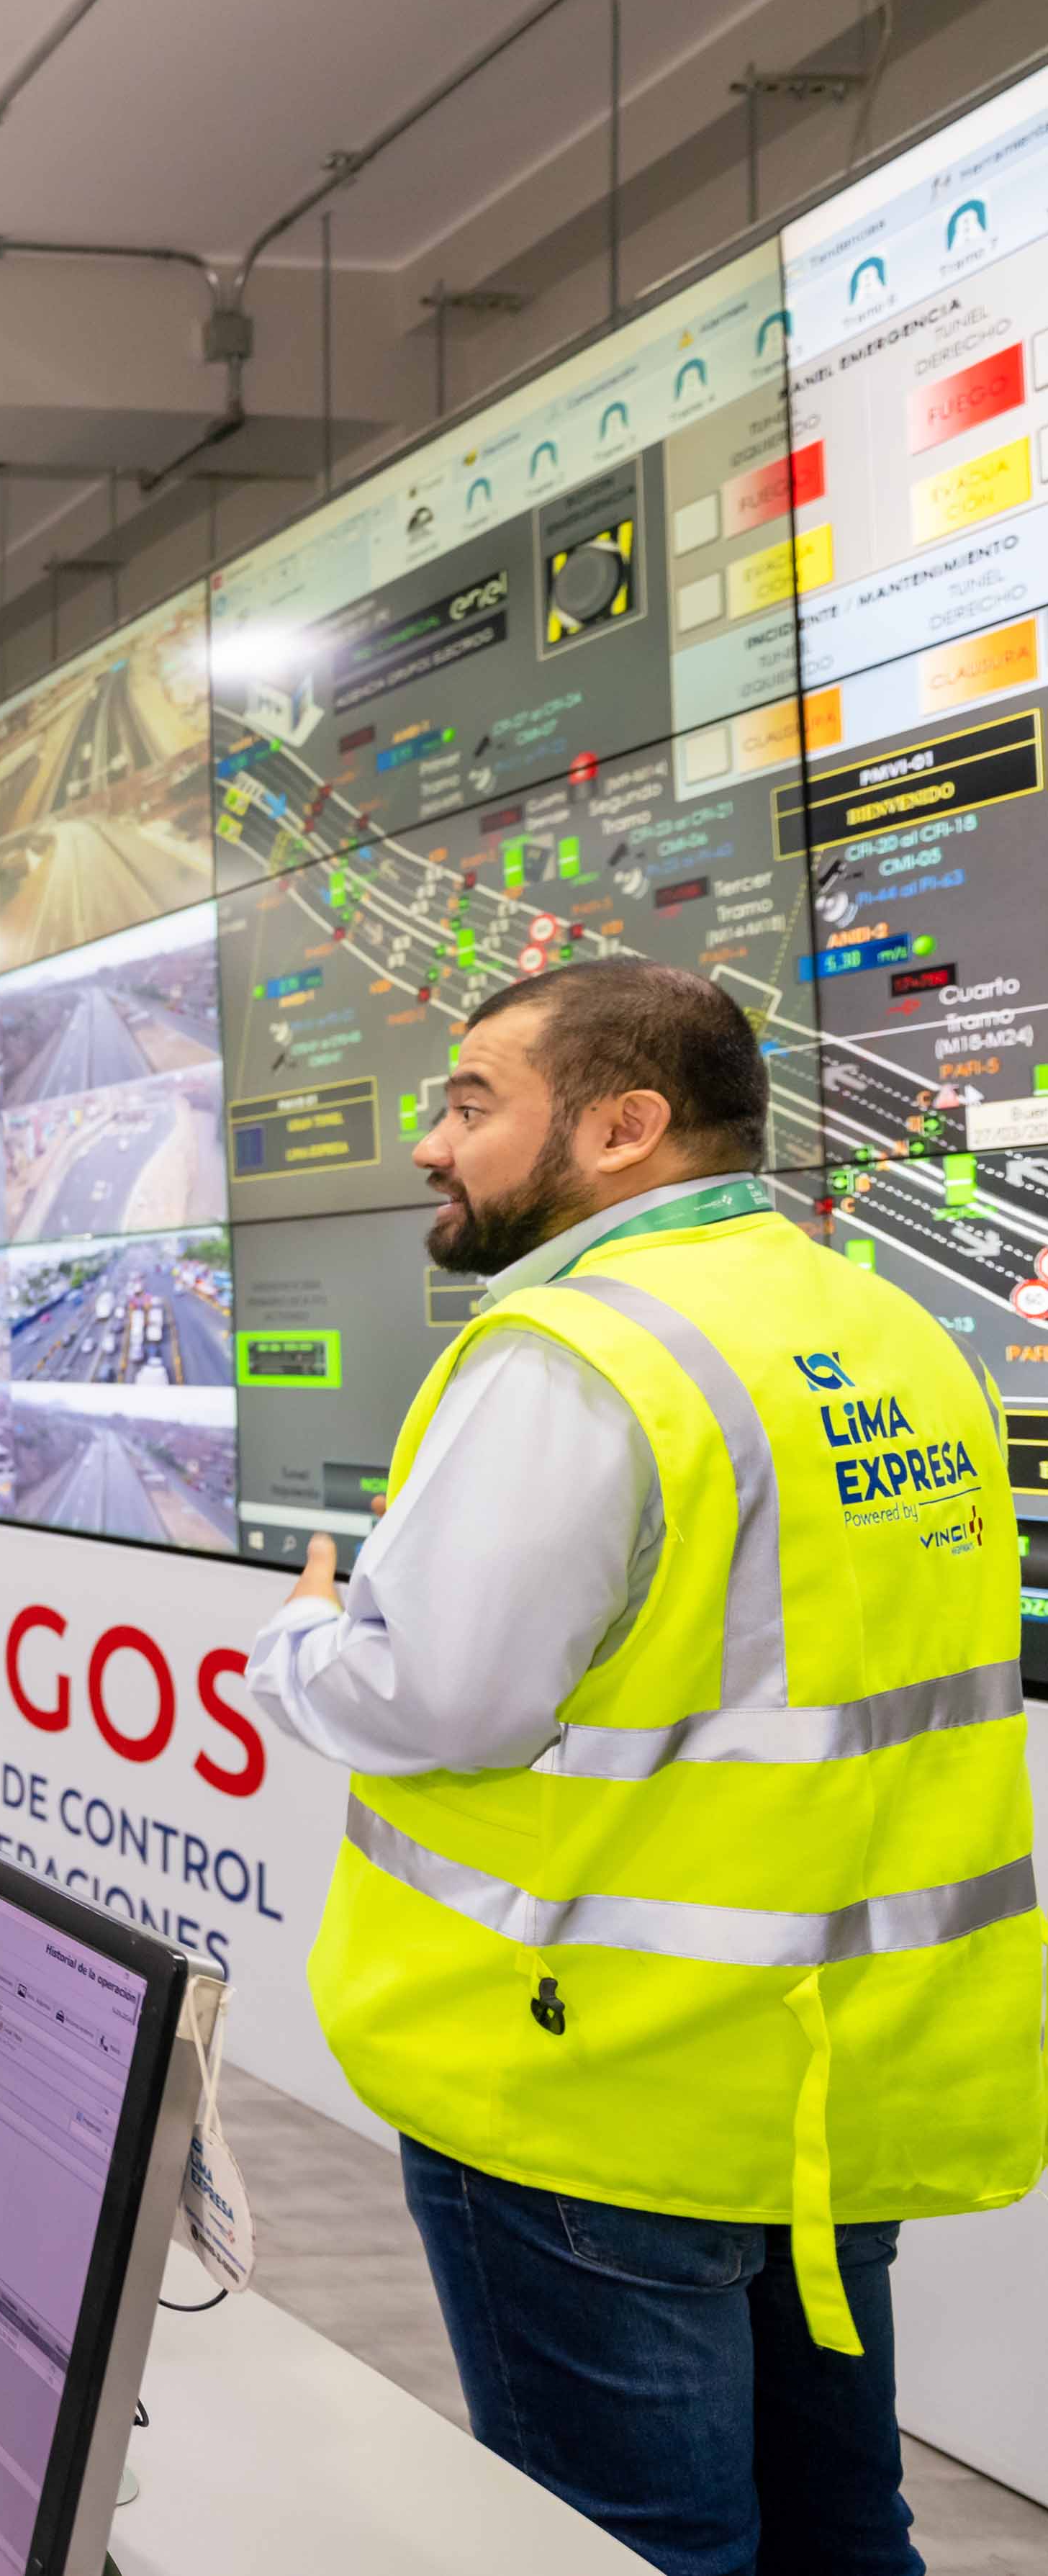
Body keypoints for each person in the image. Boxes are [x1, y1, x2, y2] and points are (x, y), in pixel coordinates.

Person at [248, 961, 1036, 2576]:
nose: (429, 1143)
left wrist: (302, 1639)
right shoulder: (887, 1327)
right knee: (840, 2528)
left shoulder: (577, 1356)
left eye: (470, 1103)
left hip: (591, 2092)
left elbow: (441, 1697)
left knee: (631, 2546)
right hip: (823, 2079)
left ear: (622, 1128)